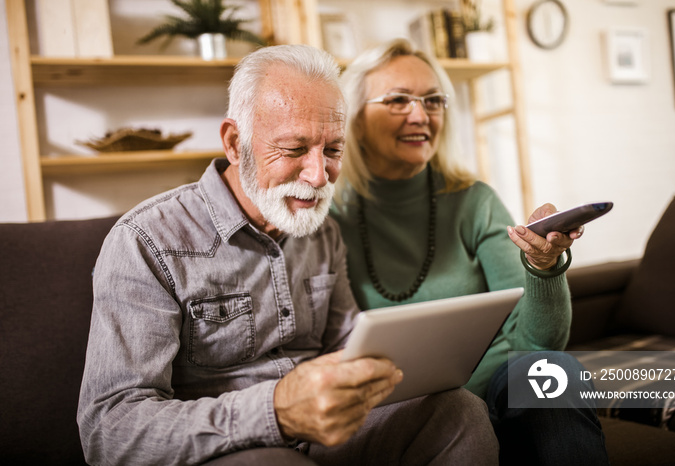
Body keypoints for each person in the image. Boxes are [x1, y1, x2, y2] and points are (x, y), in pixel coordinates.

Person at [77, 44, 499, 466]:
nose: (318, 177)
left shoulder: (321, 230)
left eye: (332, 151)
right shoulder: (146, 241)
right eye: (294, 150)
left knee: (457, 412)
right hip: (227, 449)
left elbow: (346, 346)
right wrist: (275, 413)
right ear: (234, 142)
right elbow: (109, 430)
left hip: (325, 437)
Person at [330, 38, 609, 465]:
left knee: (554, 371)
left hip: (499, 390)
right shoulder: (326, 217)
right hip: (398, 411)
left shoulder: (473, 200)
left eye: (433, 100)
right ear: (355, 118)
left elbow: (538, 345)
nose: (421, 115)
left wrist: (543, 266)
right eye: (398, 100)